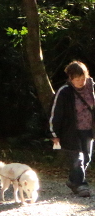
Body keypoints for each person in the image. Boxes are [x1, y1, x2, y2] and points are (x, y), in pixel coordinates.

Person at [50, 60, 95, 197]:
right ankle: (81, 185)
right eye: (77, 79)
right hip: (71, 132)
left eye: (83, 78)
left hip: (88, 130)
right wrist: (54, 133)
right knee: (78, 159)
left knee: (86, 158)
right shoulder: (64, 92)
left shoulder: (92, 88)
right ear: (71, 78)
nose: (81, 82)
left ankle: (72, 180)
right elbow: (55, 113)